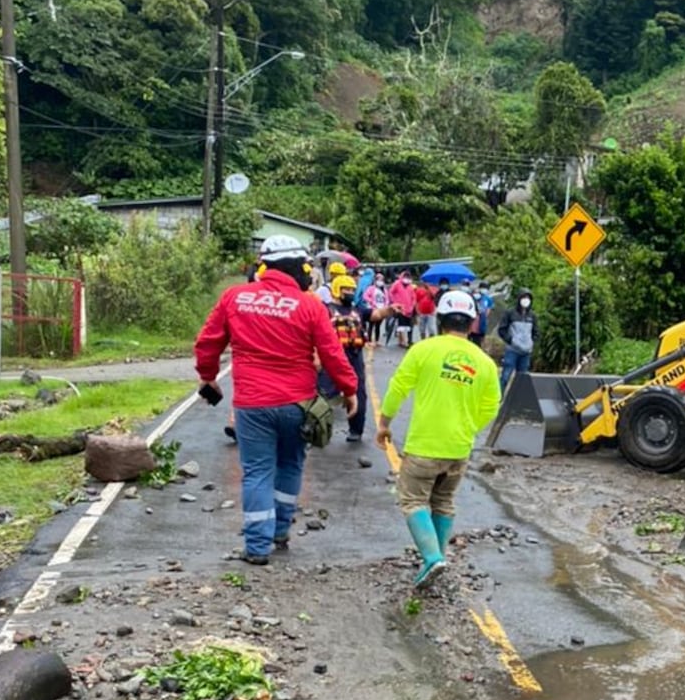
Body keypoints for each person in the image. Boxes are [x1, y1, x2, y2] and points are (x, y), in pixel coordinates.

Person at [194, 236, 359, 564]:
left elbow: (208, 342)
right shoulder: (310, 304)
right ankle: (280, 530)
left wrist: (208, 375)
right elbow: (331, 353)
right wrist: (349, 388)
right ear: (298, 267)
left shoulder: (235, 298)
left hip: (253, 405)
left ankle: (257, 548)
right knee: (290, 465)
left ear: (265, 264)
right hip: (299, 403)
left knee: (256, 471)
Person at [375, 289, 500, 587]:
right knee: (443, 501)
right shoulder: (484, 362)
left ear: (440, 318)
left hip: (424, 446)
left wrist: (384, 424)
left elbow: (397, 388)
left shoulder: (423, 350)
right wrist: (468, 428)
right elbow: (491, 406)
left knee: (413, 499)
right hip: (459, 448)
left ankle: (432, 559)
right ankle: (438, 558)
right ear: (472, 323)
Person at [322, 272, 368, 441]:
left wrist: (389, 310)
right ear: (336, 290)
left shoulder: (357, 310)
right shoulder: (324, 309)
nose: (350, 292)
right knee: (324, 393)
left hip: (354, 355)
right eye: (346, 289)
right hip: (332, 355)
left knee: (359, 392)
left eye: (352, 289)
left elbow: (376, 314)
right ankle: (318, 429)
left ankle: (356, 430)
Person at [497, 290, 537, 391]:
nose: (526, 300)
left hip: (526, 352)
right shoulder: (510, 313)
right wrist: (511, 340)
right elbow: (502, 330)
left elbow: (536, 332)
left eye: (528, 298)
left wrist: (531, 342)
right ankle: (499, 398)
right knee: (505, 376)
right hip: (512, 350)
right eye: (524, 298)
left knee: (522, 378)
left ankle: (519, 401)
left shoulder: (532, 316)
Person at [385, 271, 417, 347]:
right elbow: (390, 292)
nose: (406, 279)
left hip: (409, 309)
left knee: (409, 326)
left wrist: (412, 305)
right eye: (405, 277)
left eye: (408, 277)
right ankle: (403, 341)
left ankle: (409, 340)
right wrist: (394, 302)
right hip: (400, 308)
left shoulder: (410, 286)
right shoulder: (397, 284)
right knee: (401, 326)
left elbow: (413, 297)